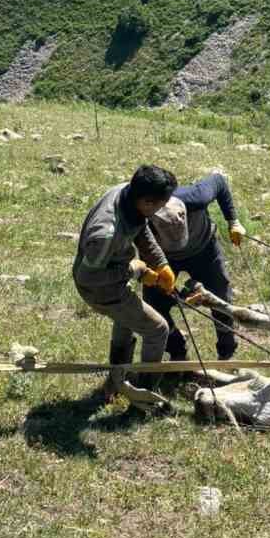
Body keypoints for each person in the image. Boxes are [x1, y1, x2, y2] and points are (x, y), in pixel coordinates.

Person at [72, 164, 179, 391]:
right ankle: (146, 393)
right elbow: (87, 277)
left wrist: (161, 263)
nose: (161, 209)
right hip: (99, 289)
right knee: (158, 330)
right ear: (147, 202)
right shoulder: (106, 233)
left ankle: (117, 379)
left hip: (114, 275)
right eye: (160, 205)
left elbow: (141, 226)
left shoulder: (128, 193)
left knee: (126, 321)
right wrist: (135, 270)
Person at [144, 171, 246, 362]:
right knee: (154, 305)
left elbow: (219, 181)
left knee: (221, 298)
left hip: (204, 249)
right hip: (162, 259)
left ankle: (226, 351)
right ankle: (176, 350)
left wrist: (233, 221)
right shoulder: (143, 212)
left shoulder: (196, 196)